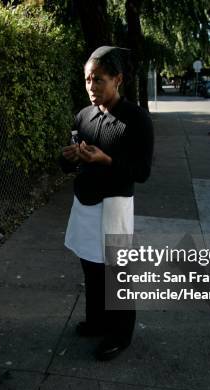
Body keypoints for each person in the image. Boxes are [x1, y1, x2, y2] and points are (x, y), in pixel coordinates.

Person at [60, 46, 154, 361]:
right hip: (85, 204)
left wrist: (108, 160)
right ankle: (98, 321)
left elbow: (142, 172)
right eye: (87, 79)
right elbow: (71, 164)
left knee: (117, 272)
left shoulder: (136, 119)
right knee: (91, 267)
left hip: (114, 206)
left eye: (99, 80)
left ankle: (120, 334)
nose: (91, 87)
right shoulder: (83, 116)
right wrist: (68, 158)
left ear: (118, 80)